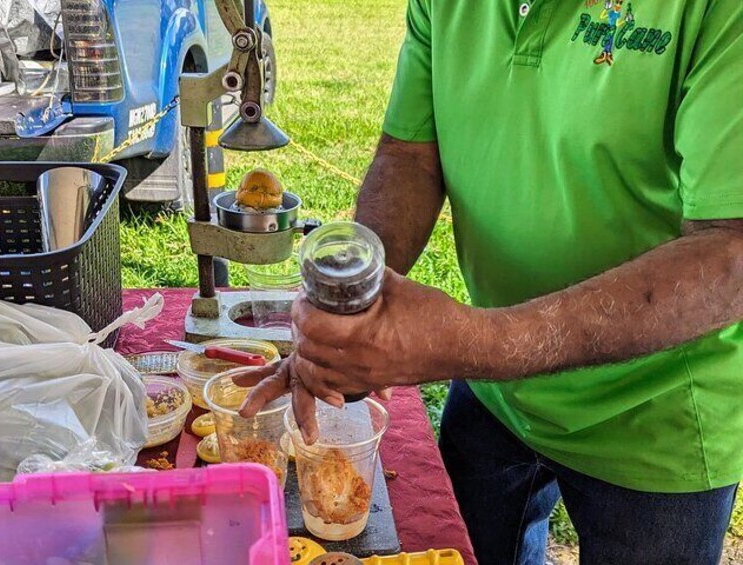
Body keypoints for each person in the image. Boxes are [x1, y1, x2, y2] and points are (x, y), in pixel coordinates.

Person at [236, 0, 743, 563]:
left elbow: (730, 251)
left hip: (655, 420)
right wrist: (350, 309)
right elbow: (411, 155)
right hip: (494, 393)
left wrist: (468, 343)